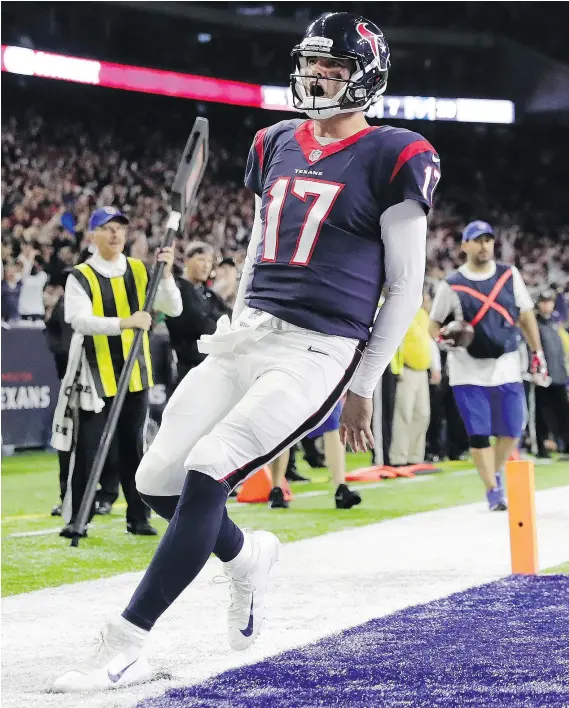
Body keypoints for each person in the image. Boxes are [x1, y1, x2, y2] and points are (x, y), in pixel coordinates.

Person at [54, 13, 439, 691]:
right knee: (156, 481)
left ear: (367, 77)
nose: (318, 77)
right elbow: (260, 252)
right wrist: (235, 324)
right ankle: (244, 560)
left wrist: (363, 382)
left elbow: (405, 286)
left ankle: (126, 641)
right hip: (249, 334)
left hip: (318, 347)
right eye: (312, 63)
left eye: (335, 68)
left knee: (209, 465)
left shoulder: (397, 151)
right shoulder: (273, 141)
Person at [52, 206, 182, 538]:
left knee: (132, 448)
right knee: (88, 448)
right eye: (107, 228)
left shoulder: (140, 270)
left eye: (120, 229)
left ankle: (138, 517)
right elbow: (79, 320)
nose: (115, 235)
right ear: (92, 236)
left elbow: (173, 307)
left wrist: (165, 276)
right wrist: (125, 323)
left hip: (135, 375)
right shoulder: (79, 275)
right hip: (94, 378)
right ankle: (78, 516)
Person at [429, 220, 547, 511]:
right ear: (465, 245)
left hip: (506, 364)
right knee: (479, 434)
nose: (484, 245)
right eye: (477, 240)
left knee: (512, 428)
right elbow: (434, 323)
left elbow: (525, 315)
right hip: (467, 369)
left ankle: (494, 472)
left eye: (488, 240)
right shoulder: (452, 283)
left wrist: (537, 351)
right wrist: (444, 342)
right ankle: (493, 490)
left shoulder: (509, 275)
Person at [165, 242, 231, 384]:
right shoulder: (176, 290)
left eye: (209, 261)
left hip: (214, 369)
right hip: (187, 370)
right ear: (187, 260)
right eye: (201, 259)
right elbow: (200, 325)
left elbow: (231, 320)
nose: (206, 265)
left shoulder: (209, 295)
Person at [533, 289, 569, 457]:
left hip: (559, 376)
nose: (546, 305)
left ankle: (565, 446)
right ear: (539, 303)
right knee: (541, 414)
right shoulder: (535, 324)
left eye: (549, 302)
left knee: (563, 413)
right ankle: (540, 447)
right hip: (543, 377)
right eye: (544, 301)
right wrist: (535, 372)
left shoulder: (556, 324)